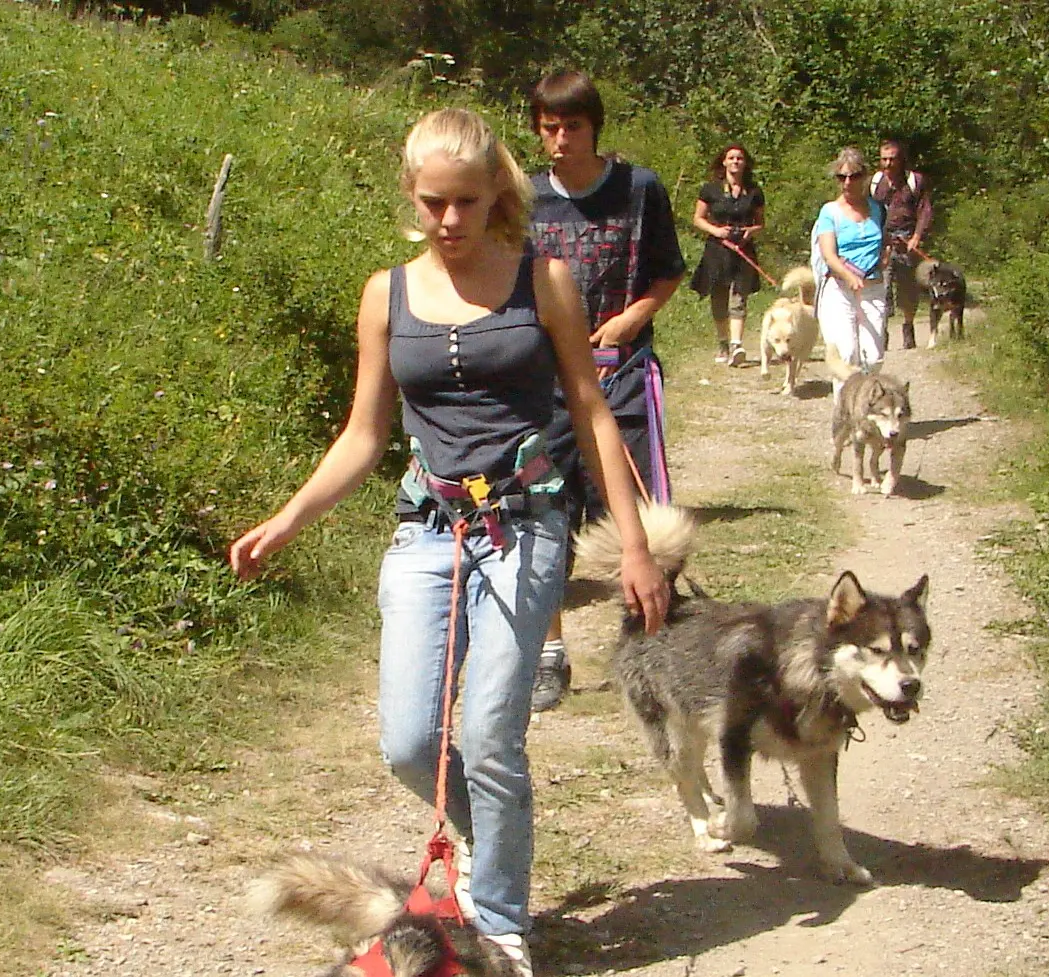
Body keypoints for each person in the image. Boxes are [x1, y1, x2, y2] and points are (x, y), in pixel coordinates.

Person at [227, 108, 669, 977]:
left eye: (467, 202)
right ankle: (483, 836)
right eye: (433, 203)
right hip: (427, 527)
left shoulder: (543, 281)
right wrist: (289, 516)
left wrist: (636, 545)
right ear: (411, 197)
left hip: (526, 523)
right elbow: (363, 434)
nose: (450, 221)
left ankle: (499, 916)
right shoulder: (385, 293)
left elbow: (589, 410)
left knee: (494, 732)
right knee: (407, 740)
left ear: (495, 194)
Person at [528, 70, 685, 712]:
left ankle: (657, 648)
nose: (561, 140)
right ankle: (548, 657)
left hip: (621, 374)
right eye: (549, 129)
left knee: (643, 518)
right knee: (545, 514)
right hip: (545, 385)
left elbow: (668, 273)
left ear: (596, 127)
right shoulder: (523, 198)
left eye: (572, 127)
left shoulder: (639, 188)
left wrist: (629, 319)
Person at [812, 146, 887, 380]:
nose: (847, 182)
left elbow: (885, 242)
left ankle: (864, 399)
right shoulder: (829, 212)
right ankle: (846, 412)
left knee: (874, 358)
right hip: (838, 289)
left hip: (872, 287)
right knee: (846, 355)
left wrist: (886, 255)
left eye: (853, 176)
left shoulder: (878, 210)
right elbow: (828, 254)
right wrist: (848, 276)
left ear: (864, 177)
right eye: (841, 176)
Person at [689, 143, 766, 367]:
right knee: (719, 298)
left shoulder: (754, 192)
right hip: (717, 250)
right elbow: (698, 218)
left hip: (743, 251)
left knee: (738, 297)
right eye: (731, 158)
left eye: (739, 158)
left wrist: (749, 232)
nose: (735, 162)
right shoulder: (710, 190)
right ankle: (723, 343)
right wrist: (716, 230)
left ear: (745, 163)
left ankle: (736, 344)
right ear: (723, 162)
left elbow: (761, 223)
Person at [869, 138, 933, 349]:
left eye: (892, 159)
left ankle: (908, 326)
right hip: (884, 242)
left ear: (901, 160)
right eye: (884, 159)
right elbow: (869, 212)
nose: (888, 164)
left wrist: (916, 237)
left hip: (907, 240)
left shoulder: (915, 181)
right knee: (882, 288)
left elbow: (924, 211)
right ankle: (882, 333)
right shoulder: (875, 183)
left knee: (907, 289)